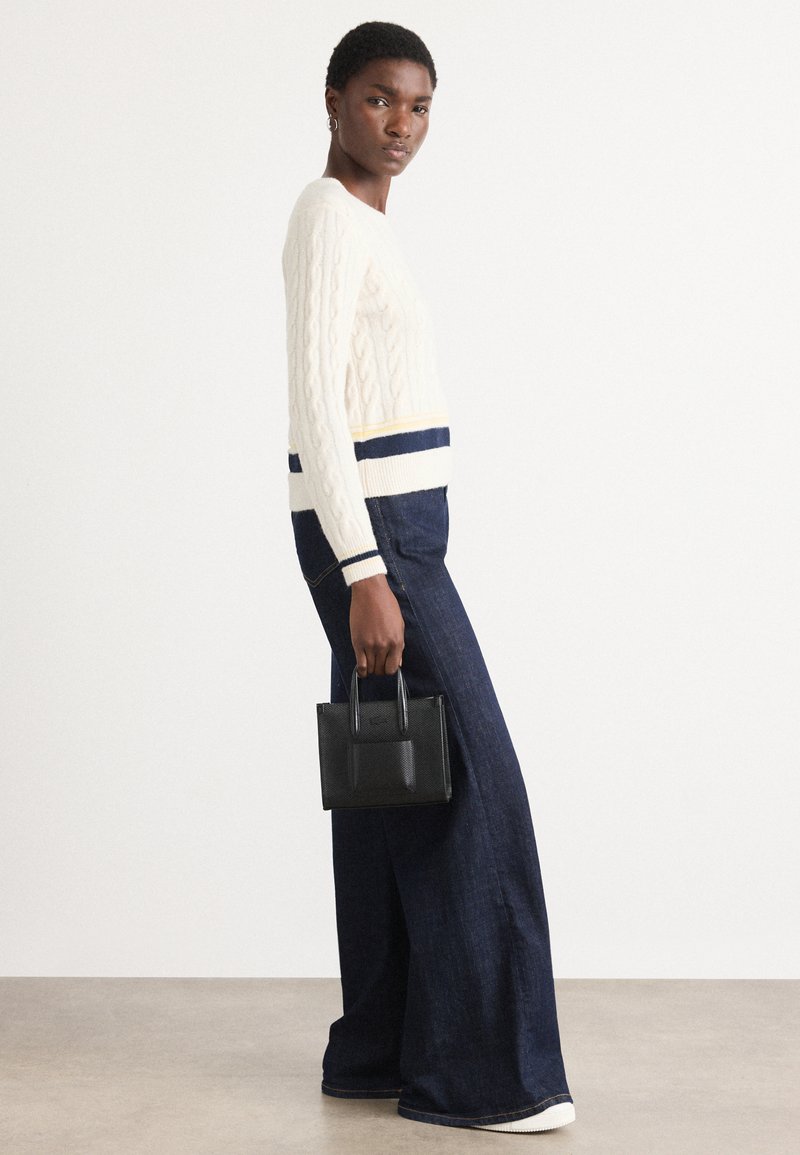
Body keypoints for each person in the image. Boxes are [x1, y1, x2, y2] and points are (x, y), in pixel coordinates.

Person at [281, 20, 576, 1134]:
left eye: (418, 107)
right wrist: (366, 569)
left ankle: (381, 1048)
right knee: (471, 794)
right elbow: (315, 404)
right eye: (378, 99)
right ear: (332, 101)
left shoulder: (362, 223)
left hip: (395, 530)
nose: (400, 124)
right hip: (379, 536)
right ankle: (490, 1076)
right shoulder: (327, 217)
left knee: (390, 787)